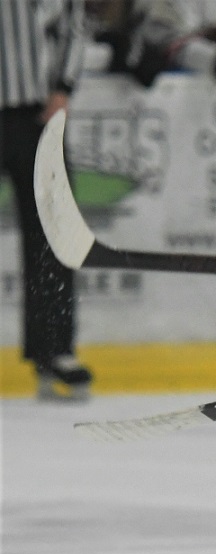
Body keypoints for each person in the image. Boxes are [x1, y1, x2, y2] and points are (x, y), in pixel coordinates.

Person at [2, 0, 92, 400]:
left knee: (52, 234)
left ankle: (53, 349)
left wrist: (63, 87)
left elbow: (73, 21)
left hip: (35, 116)